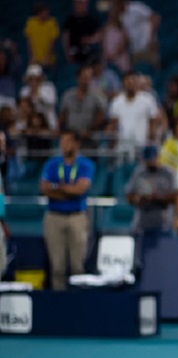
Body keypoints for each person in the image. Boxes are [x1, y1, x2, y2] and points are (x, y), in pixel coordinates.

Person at [39, 130, 95, 290]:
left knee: (77, 266)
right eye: (62, 141)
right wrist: (68, 190)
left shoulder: (86, 164)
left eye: (68, 141)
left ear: (77, 144)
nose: (64, 145)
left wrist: (56, 188)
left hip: (76, 217)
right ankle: (59, 303)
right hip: (53, 217)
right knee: (57, 267)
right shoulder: (51, 164)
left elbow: (80, 189)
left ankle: (78, 302)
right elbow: (44, 188)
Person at [125, 145, 176, 236]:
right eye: (147, 160)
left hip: (163, 222)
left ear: (158, 157)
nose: (150, 162)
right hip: (142, 222)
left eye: (152, 159)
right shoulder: (139, 173)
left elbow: (174, 197)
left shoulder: (167, 173)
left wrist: (157, 197)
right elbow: (129, 196)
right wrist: (138, 199)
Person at [108, 71, 160, 155]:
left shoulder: (148, 100)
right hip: (122, 147)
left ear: (137, 83)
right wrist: (112, 144)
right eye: (128, 81)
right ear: (123, 83)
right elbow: (113, 125)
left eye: (133, 81)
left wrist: (150, 141)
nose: (130, 84)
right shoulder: (117, 102)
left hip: (142, 146)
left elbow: (153, 123)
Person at [58, 64, 106, 148]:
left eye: (88, 78)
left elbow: (100, 117)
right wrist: (64, 133)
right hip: (71, 137)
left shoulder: (96, 96)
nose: (86, 81)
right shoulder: (68, 95)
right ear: (78, 78)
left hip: (88, 137)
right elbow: (62, 117)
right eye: (84, 77)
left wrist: (90, 130)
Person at [114, 0, 160, 69]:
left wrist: (152, 38)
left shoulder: (136, 8)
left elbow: (155, 18)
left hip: (147, 47)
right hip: (134, 51)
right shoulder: (120, 17)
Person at [19, 64, 57, 131]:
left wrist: (38, 93)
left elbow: (51, 102)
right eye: (31, 79)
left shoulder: (49, 87)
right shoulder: (24, 90)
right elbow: (23, 107)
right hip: (30, 125)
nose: (34, 81)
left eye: (36, 79)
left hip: (48, 123)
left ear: (40, 78)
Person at [62, 0, 101, 65]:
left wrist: (89, 40)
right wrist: (67, 53)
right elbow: (65, 38)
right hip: (74, 53)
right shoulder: (69, 20)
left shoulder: (91, 20)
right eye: (79, 3)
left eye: (84, 3)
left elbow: (100, 35)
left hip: (88, 53)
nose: (82, 5)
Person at [24, 2, 60, 69]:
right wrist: (32, 56)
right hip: (35, 60)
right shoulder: (31, 22)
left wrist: (46, 57)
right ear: (39, 12)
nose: (47, 13)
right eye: (45, 12)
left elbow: (52, 42)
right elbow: (29, 41)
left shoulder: (52, 22)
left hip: (49, 61)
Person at [101, 4, 131, 73]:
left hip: (119, 60)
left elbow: (123, 46)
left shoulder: (123, 30)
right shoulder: (105, 29)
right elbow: (104, 45)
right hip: (107, 59)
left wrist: (114, 55)